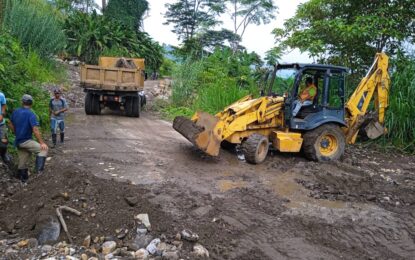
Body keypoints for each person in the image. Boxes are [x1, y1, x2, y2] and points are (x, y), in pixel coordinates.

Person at [9, 94, 48, 182]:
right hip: (26, 140)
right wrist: (42, 142)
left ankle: (23, 180)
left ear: (22, 102)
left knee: (23, 161)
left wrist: (16, 133)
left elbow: (10, 124)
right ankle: (39, 174)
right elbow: (35, 129)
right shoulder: (31, 114)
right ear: (31, 103)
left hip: (18, 141)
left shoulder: (16, 111)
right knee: (43, 150)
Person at [0, 91, 11, 166]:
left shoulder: (1, 95)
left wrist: (2, 114)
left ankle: (3, 154)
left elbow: (4, 105)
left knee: (4, 143)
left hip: (1, 124)